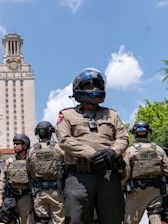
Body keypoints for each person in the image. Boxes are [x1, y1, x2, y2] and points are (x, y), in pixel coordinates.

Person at [56, 68, 129, 224]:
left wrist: (111, 152)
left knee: (113, 219)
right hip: (78, 177)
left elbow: (123, 138)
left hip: (109, 175)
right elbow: (64, 140)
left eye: (98, 85)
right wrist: (91, 154)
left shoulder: (112, 114)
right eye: (90, 85)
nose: (95, 89)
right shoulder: (67, 115)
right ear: (79, 89)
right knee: (77, 219)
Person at [123, 121, 168, 224]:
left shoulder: (130, 151)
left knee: (130, 220)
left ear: (134, 133)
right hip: (156, 189)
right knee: (155, 215)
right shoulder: (159, 149)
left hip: (137, 191)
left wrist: (122, 186)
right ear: (149, 132)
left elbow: (126, 172)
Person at [27, 121, 65, 224]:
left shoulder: (32, 151)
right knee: (59, 221)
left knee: (42, 221)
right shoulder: (58, 148)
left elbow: (28, 170)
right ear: (51, 132)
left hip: (39, 192)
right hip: (56, 191)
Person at [0, 134, 35, 224]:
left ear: (25, 145)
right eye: (14, 143)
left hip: (26, 196)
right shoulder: (9, 161)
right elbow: (2, 180)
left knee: (28, 221)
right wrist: (0, 198)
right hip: (11, 196)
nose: (14, 146)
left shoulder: (31, 160)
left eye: (17, 143)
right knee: (8, 220)